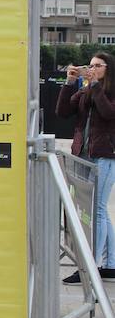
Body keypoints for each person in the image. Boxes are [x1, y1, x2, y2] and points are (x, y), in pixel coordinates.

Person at [57, 54, 115, 284]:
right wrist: (70, 83)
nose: (91, 69)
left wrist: (97, 85)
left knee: (96, 210)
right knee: (97, 211)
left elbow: (108, 113)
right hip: (83, 155)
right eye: (89, 66)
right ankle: (110, 264)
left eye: (97, 66)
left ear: (108, 69)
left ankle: (91, 266)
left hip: (105, 156)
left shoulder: (106, 90)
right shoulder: (87, 90)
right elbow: (62, 112)